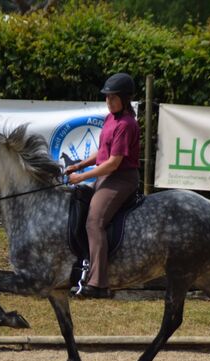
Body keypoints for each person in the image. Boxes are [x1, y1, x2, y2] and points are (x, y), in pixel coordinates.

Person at [65, 73, 140, 298]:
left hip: (121, 178)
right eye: (107, 97)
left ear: (125, 99)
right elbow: (102, 153)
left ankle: (98, 283)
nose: (108, 101)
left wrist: (82, 176)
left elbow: (113, 163)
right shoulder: (110, 119)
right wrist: (79, 165)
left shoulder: (126, 124)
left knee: (94, 221)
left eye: (113, 98)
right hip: (107, 176)